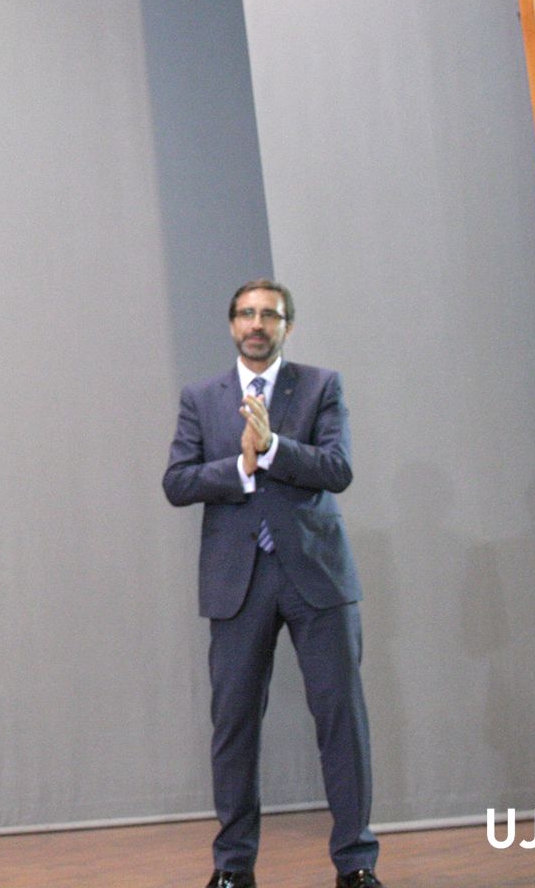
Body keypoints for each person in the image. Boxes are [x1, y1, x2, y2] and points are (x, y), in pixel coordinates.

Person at [163, 280, 383, 888]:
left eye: (271, 315)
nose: (258, 324)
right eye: (247, 314)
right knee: (234, 726)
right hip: (237, 582)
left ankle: (357, 864)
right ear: (232, 323)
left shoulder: (320, 386)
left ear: (287, 325)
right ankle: (233, 868)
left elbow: (338, 469)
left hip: (318, 577)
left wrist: (275, 446)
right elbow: (177, 482)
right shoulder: (201, 398)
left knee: (342, 719)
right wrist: (239, 465)